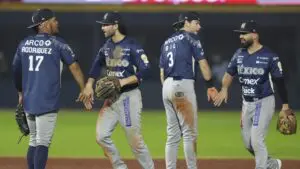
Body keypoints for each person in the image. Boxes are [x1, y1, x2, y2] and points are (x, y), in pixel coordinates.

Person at [12, 8, 87, 169]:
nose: (57, 22)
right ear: (44, 24)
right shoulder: (57, 43)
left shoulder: (24, 43)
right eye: (54, 20)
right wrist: (84, 88)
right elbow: (74, 67)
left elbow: (15, 70)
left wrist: (20, 92)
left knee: (33, 140)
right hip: (47, 99)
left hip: (29, 99)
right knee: (43, 142)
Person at [82, 12, 154, 169]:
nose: (102, 28)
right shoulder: (106, 47)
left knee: (135, 141)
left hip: (129, 97)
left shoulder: (132, 45)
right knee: (101, 136)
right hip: (111, 99)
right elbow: (95, 67)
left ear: (115, 25)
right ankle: (120, 167)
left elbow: (147, 70)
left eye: (105, 24)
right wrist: (88, 85)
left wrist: (122, 81)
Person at [214, 20, 290, 169]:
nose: (240, 37)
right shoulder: (239, 54)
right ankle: (272, 164)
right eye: (240, 34)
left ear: (255, 35)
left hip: (264, 101)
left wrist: (285, 105)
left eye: (244, 34)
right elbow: (229, 74)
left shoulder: (269, 56)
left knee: (256, 140)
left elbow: (279, 81)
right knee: (248, 143)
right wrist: (224, 89)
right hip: (247, 104)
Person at [159, 12, 218, 169]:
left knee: (172, 135)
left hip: (167, 87)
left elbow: (161, 73)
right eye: (196, 23)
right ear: (186, 22)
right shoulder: (191, 38)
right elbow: (203, 64)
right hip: (182, 85)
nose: (199, 27)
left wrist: (168, 90)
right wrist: (210, 86)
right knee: (189, 134)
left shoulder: (167, 42)